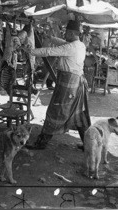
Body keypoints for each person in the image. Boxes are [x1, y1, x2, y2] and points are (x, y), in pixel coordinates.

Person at [24, 20, 90, 150]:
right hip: (76, 84)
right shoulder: (79, 45)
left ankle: (41, 143)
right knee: (79, 114)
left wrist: (31, 51)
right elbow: (63, 43)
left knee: (56, 111)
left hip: (68, 84)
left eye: (66, 32)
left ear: (71, 33)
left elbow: (49, 51)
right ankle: (88, 143)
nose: (65, 34)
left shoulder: (70, 47)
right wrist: (51, 37)